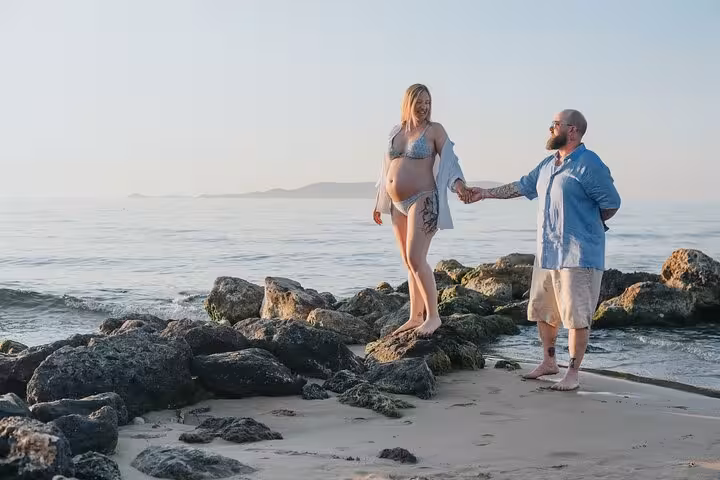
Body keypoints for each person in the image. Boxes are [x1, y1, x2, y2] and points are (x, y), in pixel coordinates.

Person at [467, 109, 621, 390]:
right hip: (547, 252)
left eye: (555, 125)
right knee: (544, 311)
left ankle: (572, 374)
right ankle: (549, 362)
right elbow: (522, 186)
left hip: (579, 255)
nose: (550, 130)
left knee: (576, 316)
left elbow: (611, 203)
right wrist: (486, 193)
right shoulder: (549, 165)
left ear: (572, 130)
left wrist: (586, 226)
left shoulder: (589, 163)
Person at [373, 83, 471, 337]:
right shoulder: (397, 131)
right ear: (408, 103)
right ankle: (415, 317)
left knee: (417, 259)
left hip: (423, 199)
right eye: (420, 102)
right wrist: (379, 201)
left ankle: (433, 317)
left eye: (428, 102)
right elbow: (386, 168)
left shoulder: (434, 130)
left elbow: (450, 162)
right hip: (397, 205)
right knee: (408, 261)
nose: (424, 107)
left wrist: (459, 185)